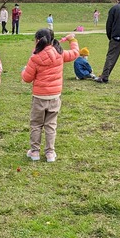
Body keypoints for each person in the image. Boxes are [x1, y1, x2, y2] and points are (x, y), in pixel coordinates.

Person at [21, 29, 79, 163]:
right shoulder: (60, 54)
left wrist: (24, 71)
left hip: (39, 97)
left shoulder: (35, 58)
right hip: (54, 97)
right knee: (50, 125)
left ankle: (35, 151)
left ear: (37, 40)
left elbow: (27, 78)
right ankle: (50, 153)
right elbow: (75, 53)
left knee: (36, 124)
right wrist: (72, 40)